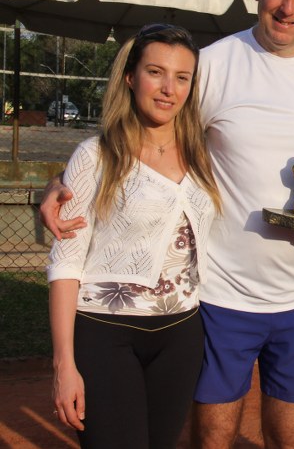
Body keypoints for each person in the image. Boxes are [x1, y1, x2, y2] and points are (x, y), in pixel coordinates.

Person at [40, 0, 294, 448]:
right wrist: (64, 182)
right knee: (212, 435)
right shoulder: (213, 63)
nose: (289, 8)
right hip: (218, 293)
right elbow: (146, 135)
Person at [47, 24, 222, 448]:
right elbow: (65, 263)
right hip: (106, 333)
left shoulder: (205, 154)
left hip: (181, 332)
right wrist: (63, 365)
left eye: (181, 77)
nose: (168, 89)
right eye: (155, 72)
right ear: (130, 77)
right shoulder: (95, 155)